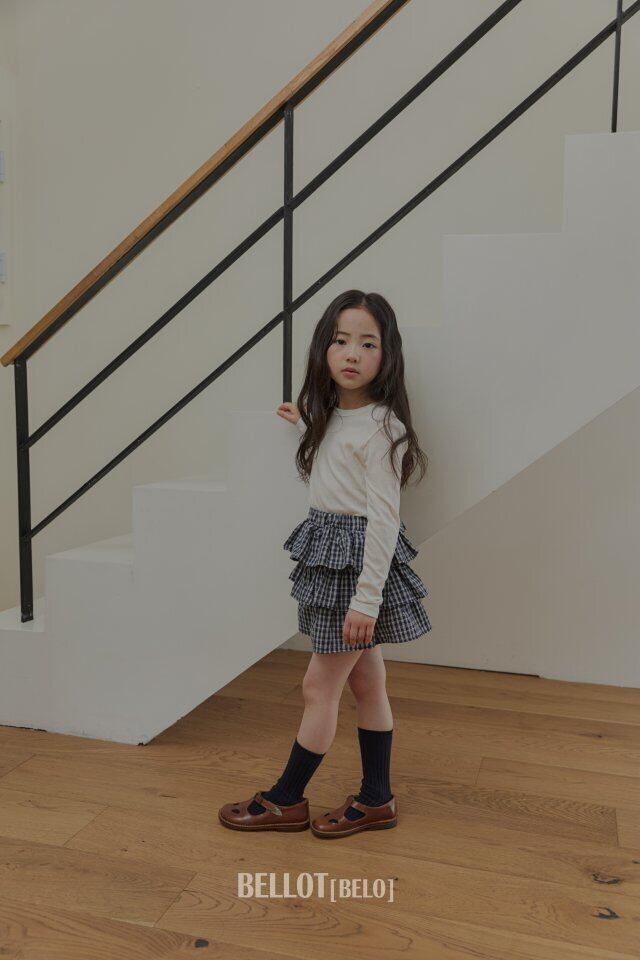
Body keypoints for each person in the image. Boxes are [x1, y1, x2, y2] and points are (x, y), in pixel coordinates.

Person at [218, 289, 432, 838]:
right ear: (324, 348)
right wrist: (303, 422)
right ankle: (378, 799)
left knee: (319, 686)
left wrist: (366, 599)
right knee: (369, 683)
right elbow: (336, 458)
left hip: (353, 566)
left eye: (368, 343)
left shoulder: (384, 428)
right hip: (333, 555)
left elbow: (384, 520)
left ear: (387, 355)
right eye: (341, 341)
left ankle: (287, 799)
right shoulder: (334, 417)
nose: (352, 353)